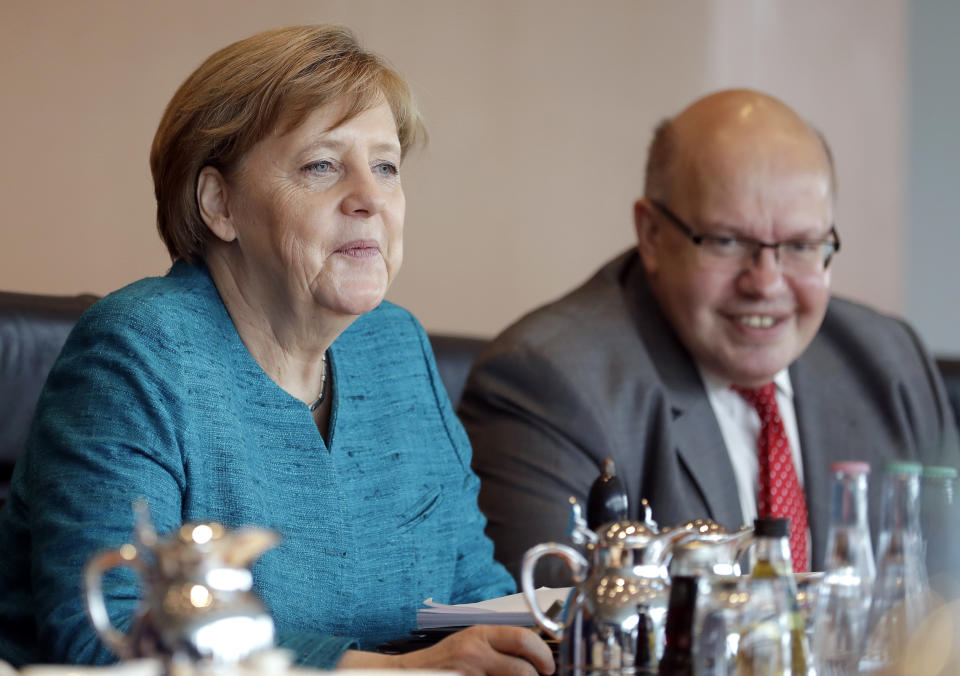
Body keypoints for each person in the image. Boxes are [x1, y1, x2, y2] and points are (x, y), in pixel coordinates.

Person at [0, 26, 553, 675]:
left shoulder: (395, 347)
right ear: (219, 203)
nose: (370, 199)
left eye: (386, 166)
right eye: (322, 165)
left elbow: (471, 597)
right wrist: (392, 671)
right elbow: (111, 639)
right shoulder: (137, 351)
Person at [460, 89, 960, 586]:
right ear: (652, 235)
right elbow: (550, 637)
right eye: (728, 241)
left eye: (802, 245)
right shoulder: (548, 383)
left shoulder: (891, 364)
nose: (766, 283)